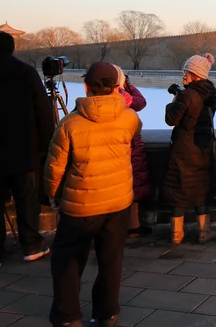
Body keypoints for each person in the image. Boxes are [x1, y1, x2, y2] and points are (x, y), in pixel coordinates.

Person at [45, 62, 141, 327]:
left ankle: (67, 317)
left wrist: (52, 196)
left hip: (81, 204)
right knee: (111, 259)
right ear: (116, 87)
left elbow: (54, 167)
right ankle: (106, 313)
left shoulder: (70, 123)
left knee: (68, 260)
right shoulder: (129, 117)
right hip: (119, 201)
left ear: (86, 86)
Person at [0, 30, 55, 270]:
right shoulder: (26, 73)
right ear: (12, 49)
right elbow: (44, 113)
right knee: (27, 199)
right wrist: (44, 146)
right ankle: (31, 245)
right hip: (23, 150)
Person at [163, 53, 216, 245]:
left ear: (196, 74)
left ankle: (176, 234)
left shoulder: (187, 95)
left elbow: (172, 120)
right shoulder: (211, 94)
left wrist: (174, 101)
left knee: (178, 188)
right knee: (201, 188)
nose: (183, 74)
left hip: (183, 149)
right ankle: (204, 231)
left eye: (186, 71)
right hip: (203, 148)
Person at [113, 66, 152, 237]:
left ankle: (128, 227)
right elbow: (139, 102)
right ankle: (127, 227)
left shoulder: (122, 92)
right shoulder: (118, 97)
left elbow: (140, 102)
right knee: (126, 190)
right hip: (125, 148)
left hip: (127, 148)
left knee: (130, 190)